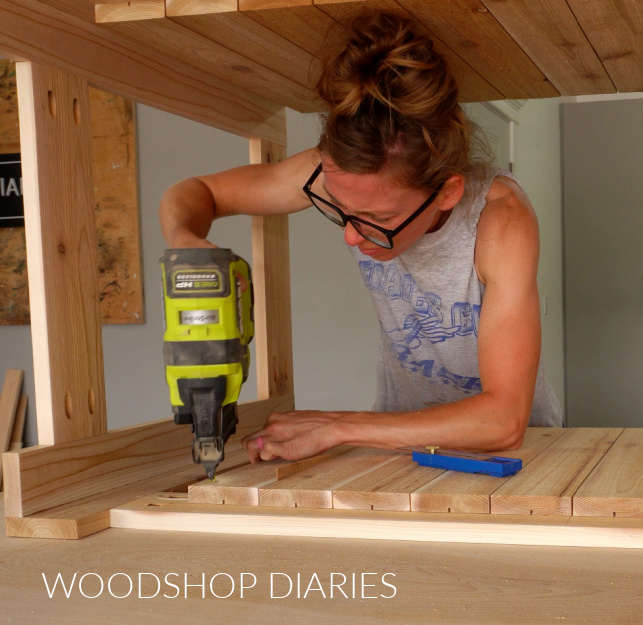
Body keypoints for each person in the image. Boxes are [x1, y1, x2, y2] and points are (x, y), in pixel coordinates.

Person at [158, 10, 562, 463]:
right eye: (340, 209)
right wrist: (184, 237)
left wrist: (338, 427)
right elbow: (197, 192)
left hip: (519, 454)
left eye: (374, 217)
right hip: (395, 445)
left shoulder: (500, 221)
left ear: (447, 193)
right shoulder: (338, 170)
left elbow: (503, 420)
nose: (352, 236)